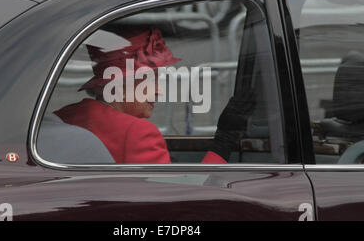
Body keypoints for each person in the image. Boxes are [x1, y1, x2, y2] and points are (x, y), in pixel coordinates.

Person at [55, 27, 253, 163]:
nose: (159, 91)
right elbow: (178, 205)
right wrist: (223, 143)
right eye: (150, 80)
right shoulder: (138, 133)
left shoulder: (64, 117)